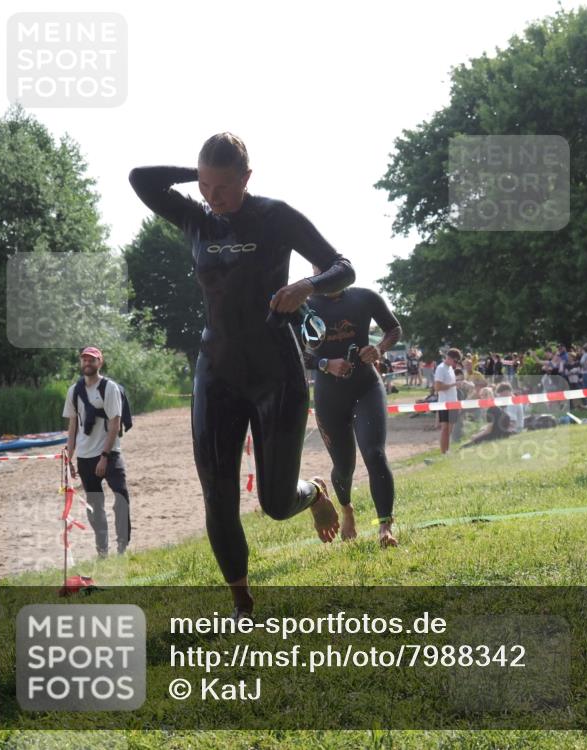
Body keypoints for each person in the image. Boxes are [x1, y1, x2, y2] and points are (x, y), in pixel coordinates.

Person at [128, 132, 353, 621]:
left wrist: (306, 285)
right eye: (205, 187)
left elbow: (343, 267)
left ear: (247, 178)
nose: (214, 198)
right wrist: (198, 175)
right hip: (217, 372)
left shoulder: (276, 215)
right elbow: (140, 178)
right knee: (218, 494)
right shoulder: (196, 218)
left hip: (277, 373)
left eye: (224, 188)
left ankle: (313, 492)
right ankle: (242, 601)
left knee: (275, 503)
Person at [302, 276, 401, 547]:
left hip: (366, 387)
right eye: (320, 268)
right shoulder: (304, 305)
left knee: (374, 453)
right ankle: (347, 509)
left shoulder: (364, 297)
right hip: (329, 396)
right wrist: (325, 363)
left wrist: (379, 348)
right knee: (344, 467)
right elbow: (295, 352)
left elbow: (393, 328)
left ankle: (385, 528)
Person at [62, 347, 131, 558]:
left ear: (100, 362)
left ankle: (122, 546)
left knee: (121, 497)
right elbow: (73, 426)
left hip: (110, 455)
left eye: (92, 359)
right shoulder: (74, 391)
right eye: (84, 359)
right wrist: (69, 458)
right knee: (94, 506)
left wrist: (104, 457)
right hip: (84, 458)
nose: (87, 363)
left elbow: (115, 423)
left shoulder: (109, 388)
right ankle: (102, 551)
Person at [434, 348, 462, 454]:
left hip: (453, 402)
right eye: (455, 361)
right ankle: (443, 452)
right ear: (449, 358)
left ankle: (447, 451)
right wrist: (454, 384)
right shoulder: (441, 368)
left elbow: (451, 387)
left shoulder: (450, 368)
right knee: (445, 429)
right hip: (445, 403)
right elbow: (437, 387)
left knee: (449, 430)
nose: (456, 364)